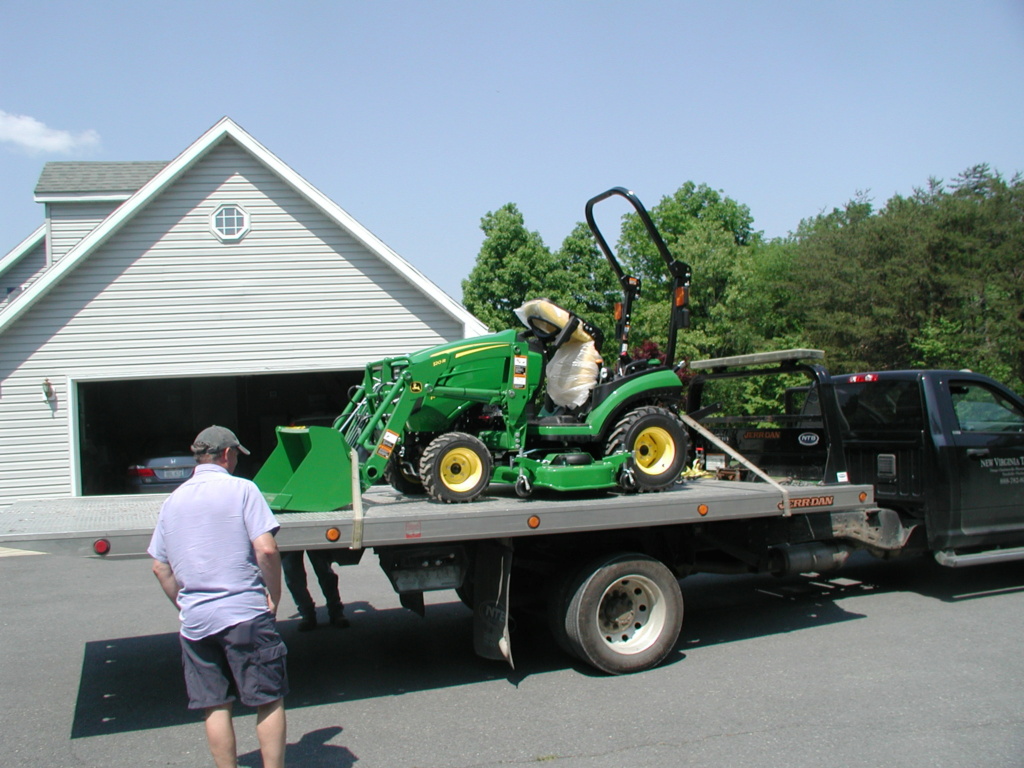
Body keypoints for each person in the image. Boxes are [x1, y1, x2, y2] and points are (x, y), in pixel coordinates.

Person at [148, 425, 288, 768]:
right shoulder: (242, 490)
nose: (238, 460)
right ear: (226, 454)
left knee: (214, 705)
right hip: (244, 612)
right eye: (237, 454)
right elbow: (266, 550)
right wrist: (274, 595)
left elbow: (160, 567)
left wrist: (185, 604)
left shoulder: (172, 501)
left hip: (196, 623)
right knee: (268, 699)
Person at [282, 549, 350, 630]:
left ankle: (336, 611)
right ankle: (307, 613)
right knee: (292, 573)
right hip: (289, 537)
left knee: (324, 569)